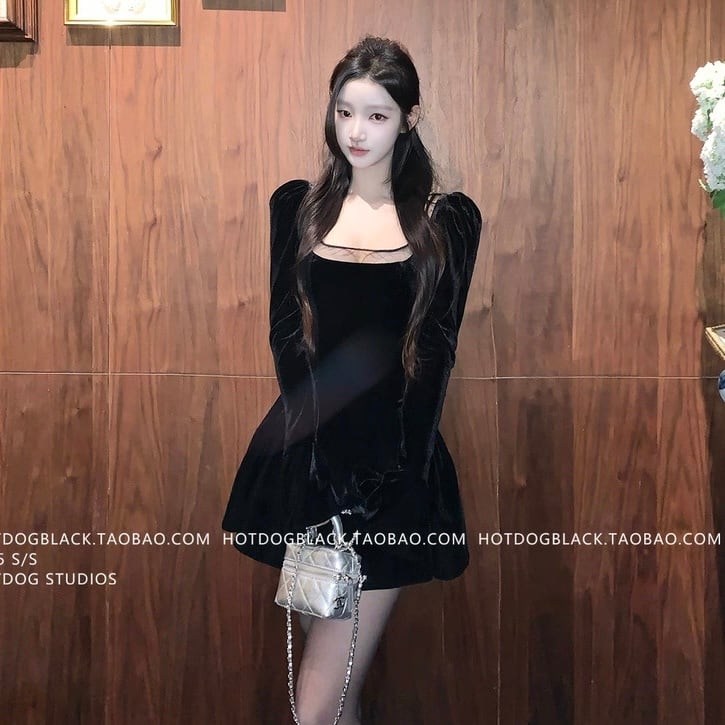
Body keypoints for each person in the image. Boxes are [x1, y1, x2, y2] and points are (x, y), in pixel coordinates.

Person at [222, 34, 482, 725]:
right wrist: (320, 452)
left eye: (376, 115)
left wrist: (395, 468)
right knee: (338, 694)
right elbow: (285, 333)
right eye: (344, 112)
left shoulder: (445, 220)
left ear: (409, 118)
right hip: (306, 462)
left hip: (390, 475)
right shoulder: (298, 208)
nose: (356, 132)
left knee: (317, 705)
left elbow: (435, 351)